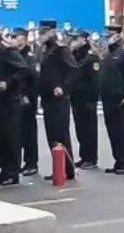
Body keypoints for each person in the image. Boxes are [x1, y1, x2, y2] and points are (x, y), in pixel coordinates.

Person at [0, 26, 30, 186]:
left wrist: (8, 83)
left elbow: (23, 69)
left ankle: (12, 173)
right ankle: (4, 171)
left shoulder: (6, 51)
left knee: (10, 139)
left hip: (8, 102)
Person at [37, 20, 78, 182]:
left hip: (59, 99)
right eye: (40, 32)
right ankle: (58, 168)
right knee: (52, 136)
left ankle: (68, 169)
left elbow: (73, 70)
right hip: (47, 99)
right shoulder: (45, 50)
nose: (41, 35)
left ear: (52, 32)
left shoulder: (61, 49)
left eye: (44, 32)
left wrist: (63, 87)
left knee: (61, 134)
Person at [99, 25, 124, 174]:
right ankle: (119, 161)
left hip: (120, 99)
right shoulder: (107, 54)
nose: (107, 37)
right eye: (107, 35)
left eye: (111, 35)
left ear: (119, 35)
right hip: (108, 99)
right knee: (113, 132)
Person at [69, 30, 101, 170]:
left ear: (84, 40)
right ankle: (84, 156)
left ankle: (91, 158)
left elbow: (95, 80)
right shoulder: (74, 55)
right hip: (76, 98)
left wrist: (92, 99)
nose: (73, 41)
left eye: (76, 39)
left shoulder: (91, 56)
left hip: (88, 99)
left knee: (89, 130)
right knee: (80, 129)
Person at [13, 26, 40, 176]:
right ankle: (21, 162)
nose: (13, 39)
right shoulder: (14, 54)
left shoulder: (29, 56)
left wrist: (27, 95)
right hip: (15, 98)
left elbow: (32, 77)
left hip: (27, 99)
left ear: (23, 39)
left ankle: (31, 162)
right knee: (17, 132)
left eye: (16, 37)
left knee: (29, 132)